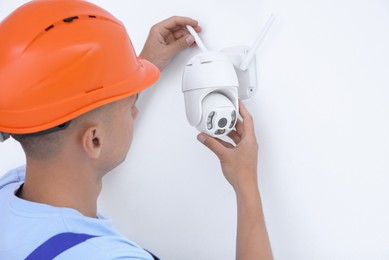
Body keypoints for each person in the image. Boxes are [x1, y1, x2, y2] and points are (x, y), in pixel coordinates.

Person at [0, 0, 272, 259]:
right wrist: (246, 182)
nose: (135, 110)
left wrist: (134, 66)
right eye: (130, 104)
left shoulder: (9, 192)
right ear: (94, 141)